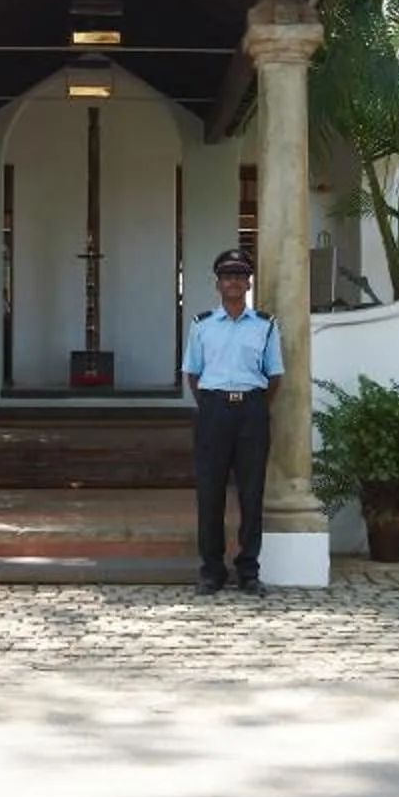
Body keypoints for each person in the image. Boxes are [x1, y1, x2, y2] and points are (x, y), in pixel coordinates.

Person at [181, 246, 282, 594]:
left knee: (252, 494)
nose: (234, 282)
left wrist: (249, 403)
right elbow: (193, 373)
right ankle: (211, 569)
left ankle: (248, 570)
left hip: (252, 413)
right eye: (227, 276)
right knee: (210, 493)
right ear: (218, 283)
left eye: (240, 276)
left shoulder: (266, 326)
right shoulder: (202, 325)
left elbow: (275, 376)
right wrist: (215, 404)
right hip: (213, 412)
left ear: (248, 282)